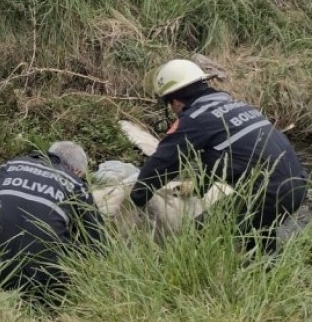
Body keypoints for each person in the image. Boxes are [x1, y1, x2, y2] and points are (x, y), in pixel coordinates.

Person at [130, 58, 308, 253]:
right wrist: (198, 187)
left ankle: (205, 281)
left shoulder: (196, 119)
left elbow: (163, 162)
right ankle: (268, 272)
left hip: (268, 195)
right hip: (296, 186)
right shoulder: (239, 107)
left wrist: (137, 197)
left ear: (175, 100)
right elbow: (226, 159)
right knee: (257, 235)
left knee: (198, 234)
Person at [0, 141, 104, 303]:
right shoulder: (76, 183)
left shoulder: (11, 165)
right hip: (42, 286)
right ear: (78, 171)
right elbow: (97, 243)